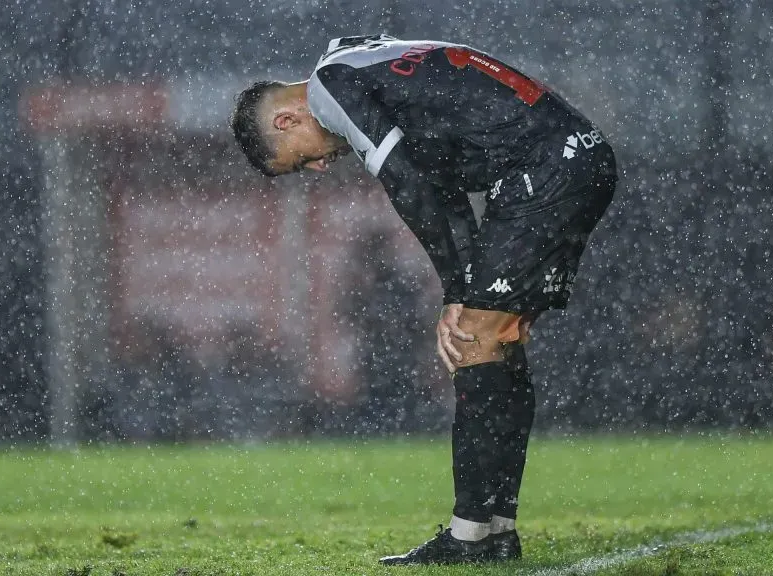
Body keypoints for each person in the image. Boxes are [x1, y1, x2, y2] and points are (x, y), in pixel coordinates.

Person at [230, 35, 616, 564]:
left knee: (471, 341)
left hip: (544, 168)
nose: (317, 168)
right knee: (494, 344)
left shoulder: (328, 90)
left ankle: (470, 537)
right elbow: (440, 184)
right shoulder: (359, 64)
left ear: (286, 121)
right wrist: (463, 284)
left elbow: (408, 185)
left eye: (298, 163)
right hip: (569, 157)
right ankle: (495, 530)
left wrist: (455, 292)